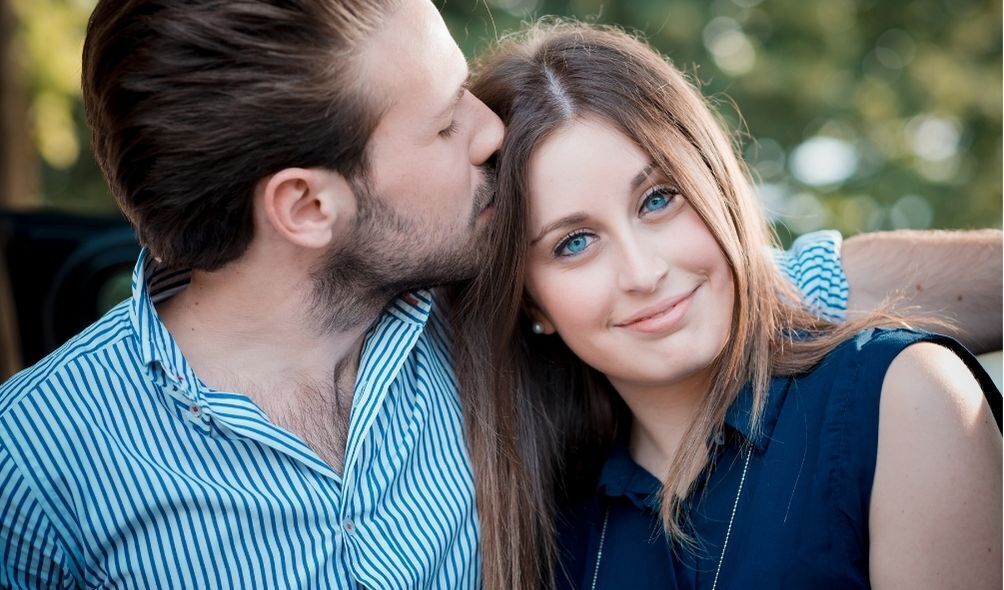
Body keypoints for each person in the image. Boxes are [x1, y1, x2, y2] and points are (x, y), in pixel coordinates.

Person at [0, 1, 998, 587]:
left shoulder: (483, 313)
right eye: (441, 124)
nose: (487, 132)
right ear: (306, 204)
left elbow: (785, 288)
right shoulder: (36, 461)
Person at [464, 22, 1003, 589]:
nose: (644, 273)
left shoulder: (902, 397)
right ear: (530, 303)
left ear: (716, 186)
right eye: (573, 243)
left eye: (658, 200)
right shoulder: (543, 526)